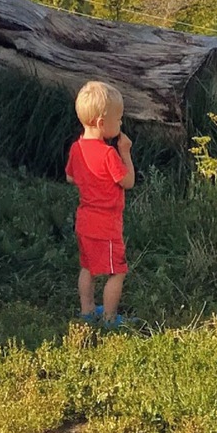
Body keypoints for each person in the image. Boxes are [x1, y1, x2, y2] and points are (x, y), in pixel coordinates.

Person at [65, 79, 135, 325]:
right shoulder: (109, 154)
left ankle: (87, 310)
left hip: (84, 221)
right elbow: (128, 182)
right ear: (102, 124)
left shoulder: (77, 148)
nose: (121, 123)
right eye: (118, 120)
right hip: (106, 225)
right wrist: (125, 152)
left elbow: (70, 176)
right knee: (117, 272)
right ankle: (109, 318)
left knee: (88, 268)